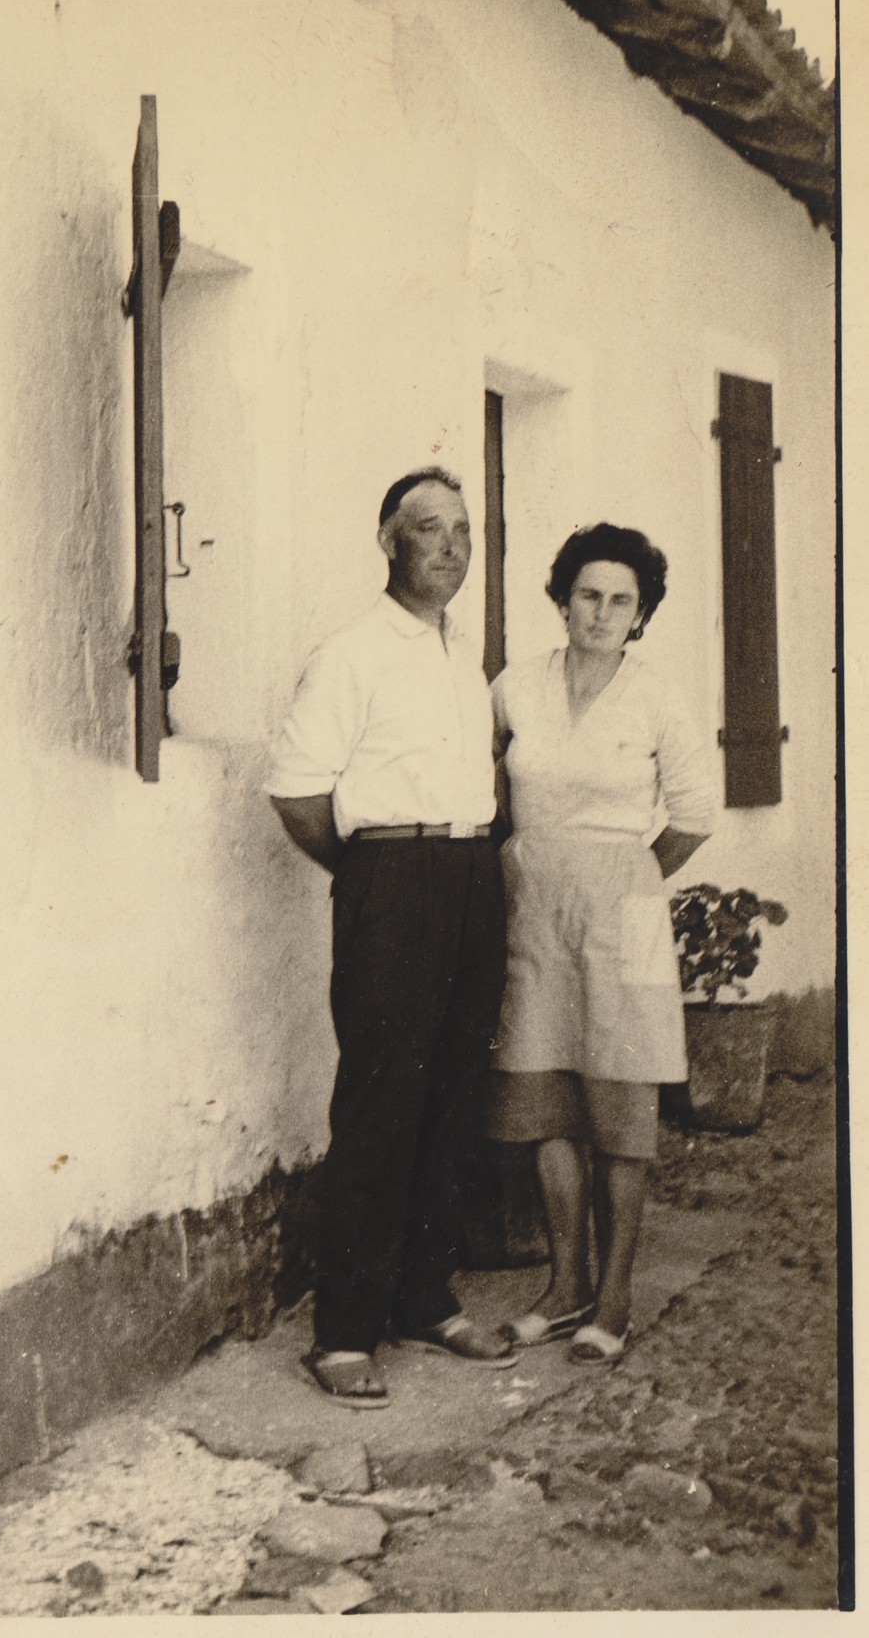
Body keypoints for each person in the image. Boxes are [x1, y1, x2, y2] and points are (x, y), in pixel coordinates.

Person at [266, 467, 515, 1407]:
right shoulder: (351, 653)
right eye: (428, 528)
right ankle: (342, 1333)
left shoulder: (461, 655)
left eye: (461, 530)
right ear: (387, 541)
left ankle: (422, 1298)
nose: (449, 546)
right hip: (393, 881)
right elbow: (297, 792)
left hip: (470, 876)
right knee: (380, 1103)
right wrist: (373, 877)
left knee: (451, 1094)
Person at [484, 523, 714, 1364]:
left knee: (621, 1106)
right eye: (588, 595)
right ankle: (564, 1287)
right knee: (546, 1098)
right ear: (561, 600)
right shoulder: (515, 687)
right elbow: (483, 779)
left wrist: (625, 879)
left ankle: (613, 1301)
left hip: (627, 907)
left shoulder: (657, 697)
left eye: (622, 600)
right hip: (533, 905)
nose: (602, 613)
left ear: (640, 613)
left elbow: (693, 815)